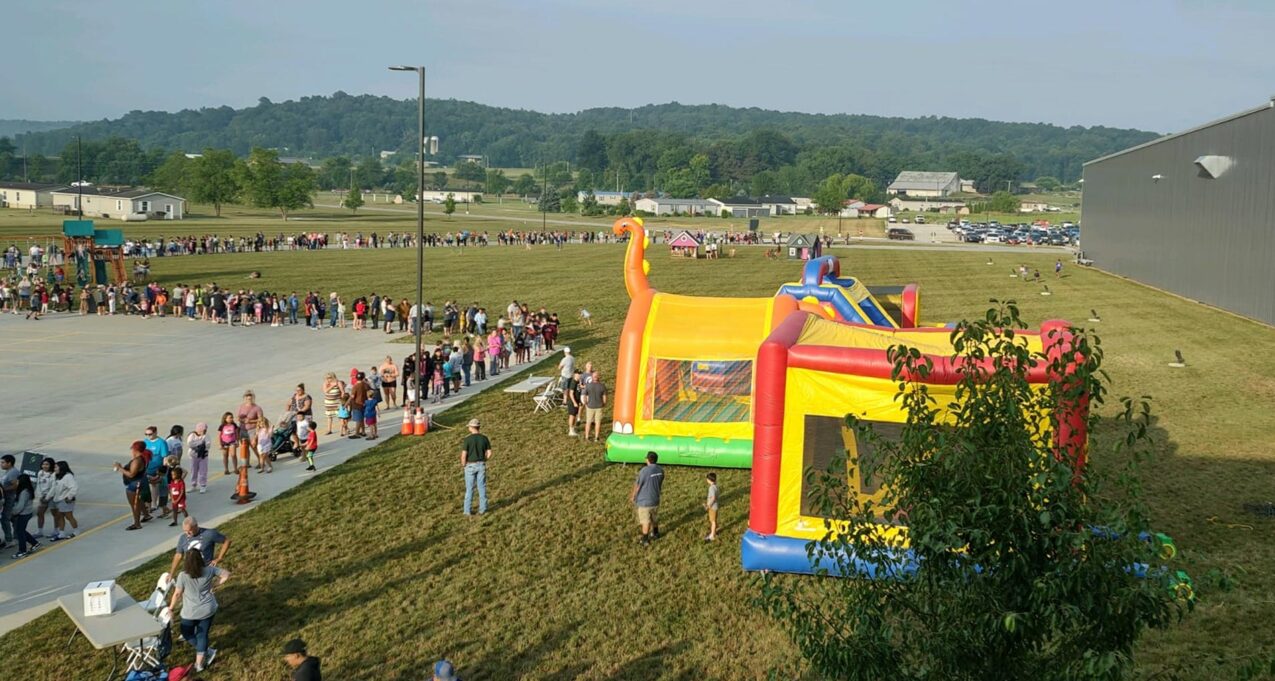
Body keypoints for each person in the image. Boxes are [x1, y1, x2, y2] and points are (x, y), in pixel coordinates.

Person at [169, 548, 229, 673]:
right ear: (200, 559)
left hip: (190, 612)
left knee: (187, 633)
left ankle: (205, 651)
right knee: (203, 635)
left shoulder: (182, 576)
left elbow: (177, 594)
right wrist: (215, 585)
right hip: (208, 609)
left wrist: (171, 608)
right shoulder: (210, 570)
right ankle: (199, 664)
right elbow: (226, 574)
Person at [113, 441, 151, 531]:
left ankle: (137, 524)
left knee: (134, 504)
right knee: (138, 500)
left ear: (135, 449)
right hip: (140, 481)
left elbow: (131, 474)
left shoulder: (137, 461)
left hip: (134, 484)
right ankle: (146, 514)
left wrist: (120, 468)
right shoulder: (141, 458)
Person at [630, 451, 664, 545]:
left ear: (648, 460)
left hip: (644, 501)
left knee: (646, 521)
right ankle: (656, 533)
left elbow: (638, 485)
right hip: (655, 499)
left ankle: (645, 539)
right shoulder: (660, 470)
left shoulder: (644, 471)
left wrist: (633, 496)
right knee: (654, 517)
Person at [460, 419, 492, 516]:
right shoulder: (484, 438)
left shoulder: (467, 439)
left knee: (469, 489)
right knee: (481, 487)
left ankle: (467, 511)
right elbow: (489, 453)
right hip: (481, 464)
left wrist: (463, 464)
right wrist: (484, 459)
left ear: (471, 428)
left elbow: (464, 455)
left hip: (470, 465)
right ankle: (483, 509)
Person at [142, 426, 170, 518]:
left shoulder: (161, 443)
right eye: (146, 434)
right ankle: (148, 506)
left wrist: (162, 470)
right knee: (147, 487)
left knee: (156, 486)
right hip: (147, 468)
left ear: (155, 433)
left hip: (157, 468)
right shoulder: (145, 442)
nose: (148, 436)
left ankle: (155, 504)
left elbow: (165, 457)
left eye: (150, 434)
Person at [10, 474, 40, 558]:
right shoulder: (27, 490)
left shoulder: (24, 492)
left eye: (18, 481)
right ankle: (35, 543)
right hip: (27, 513)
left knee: (20, 532)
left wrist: (12, 512)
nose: (16, 482)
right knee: (21, 530)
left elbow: (20, 506)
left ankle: (22, 551)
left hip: (23, 514)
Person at [49, 461, 78, 540]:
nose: (54, 469)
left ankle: (76, 531)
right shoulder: (55, 475)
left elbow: (74, 487)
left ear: (61, 468)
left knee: (69, 516)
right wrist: (48, 497)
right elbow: (53, 487)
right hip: (58, 499)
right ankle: (62, 533)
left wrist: (69, 497)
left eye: (56, 467)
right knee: (60, 516)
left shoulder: (68, 476)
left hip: (66, 499)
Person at [237, 390, 265, 466]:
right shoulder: (241, 407)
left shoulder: (257, 408)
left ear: (253, 398)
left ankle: (261, 461)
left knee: (254, 446)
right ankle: (246, 463)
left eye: (250, 397)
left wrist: (251, 421)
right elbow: (238, 417)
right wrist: (242, 420)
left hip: (252, 429)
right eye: (247, 397)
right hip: (243, 429)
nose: (248, 399)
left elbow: (261, 419)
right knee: (245, 447)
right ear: (244, 398)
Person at [582, 371, 608, 442]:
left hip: (590, 406)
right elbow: (605, 397)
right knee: (598, 422)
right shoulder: (602, 386)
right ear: (598, 377)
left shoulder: (588, 385)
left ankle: (587, 437)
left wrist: (585, 402)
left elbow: (584, 395)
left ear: (592, 377)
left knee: (588, 422)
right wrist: (604, 404)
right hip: (599, 407)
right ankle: (596, 437)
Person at [33, 457, 56, 538]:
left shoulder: (53, 474)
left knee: (55, 514)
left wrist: (47, 497)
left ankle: (56, 531)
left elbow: (53, 487)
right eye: (43, 464)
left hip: (52, 496)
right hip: (43, 496)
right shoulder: (40, 473)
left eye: (47, 464)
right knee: (40, 513)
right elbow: (38, 484)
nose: (44, 466)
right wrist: (40, 495)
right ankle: (40, 531)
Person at [186, 422, 211, 494]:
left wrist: (198, 445)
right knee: (193, 470)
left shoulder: (206, 436)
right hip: (193, 456)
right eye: (203, 430)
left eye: (205, 430)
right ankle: (193, 485)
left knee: (203, 471)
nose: (204, 431)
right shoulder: (192, 435)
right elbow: (190, 444)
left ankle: (203, 485)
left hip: (203, 456)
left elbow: (208, 445)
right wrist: (200, 444)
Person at [0, 454, 17, 548]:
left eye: (3, 462)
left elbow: (15, 486)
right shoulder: (8, 471)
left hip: (10, 499)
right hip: (6, 499)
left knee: (5, 519)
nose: (1, 464)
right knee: (13, 518)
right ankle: (16, 536)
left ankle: (9, 540)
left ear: (9, 463)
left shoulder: (12, 473)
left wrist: (2, 489)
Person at [348, 373, 368, 438]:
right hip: (364, 404)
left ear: (356, 378)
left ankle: (357, 433)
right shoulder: (365, 385)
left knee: (358, 420)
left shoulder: (355, 386)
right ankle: (363, 431)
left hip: (357, 404)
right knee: (362, 419)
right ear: (363, 377)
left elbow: (352, 396)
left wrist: (346, 404)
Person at [564, 367, 582, 437]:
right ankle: (571, 431)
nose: (579, 375)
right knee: (572, 416)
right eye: (578, 374)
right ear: (575, 374)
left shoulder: (578, 382)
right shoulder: (573, 382)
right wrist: (574, 402)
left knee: (574, 416)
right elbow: (571, 393)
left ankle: (572, 429)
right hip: (572, 402)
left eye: (580, 374)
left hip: (577, 401)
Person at [704, 472, 719, 542]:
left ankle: (712, 535)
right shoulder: (716, 486)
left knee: (713, 521)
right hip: (715, 507)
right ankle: (713, 532)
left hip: (713, 507)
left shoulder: (711, 488)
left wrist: (708, 505)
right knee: (714, 520)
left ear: (709, 480)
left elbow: (713, 498)